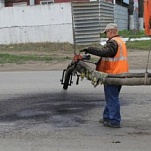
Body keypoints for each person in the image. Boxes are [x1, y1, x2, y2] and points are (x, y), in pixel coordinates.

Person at [81, 23, 129, 128]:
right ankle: (107, 116)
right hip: (119, 73)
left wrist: (90, 49)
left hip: (113, 75)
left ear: (110, 32)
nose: (106, 35)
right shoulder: (119, 41)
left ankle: (114, 121)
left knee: (112, 98)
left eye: (106, 32)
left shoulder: (113, 42)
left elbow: (105, 52)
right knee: (111, 97)